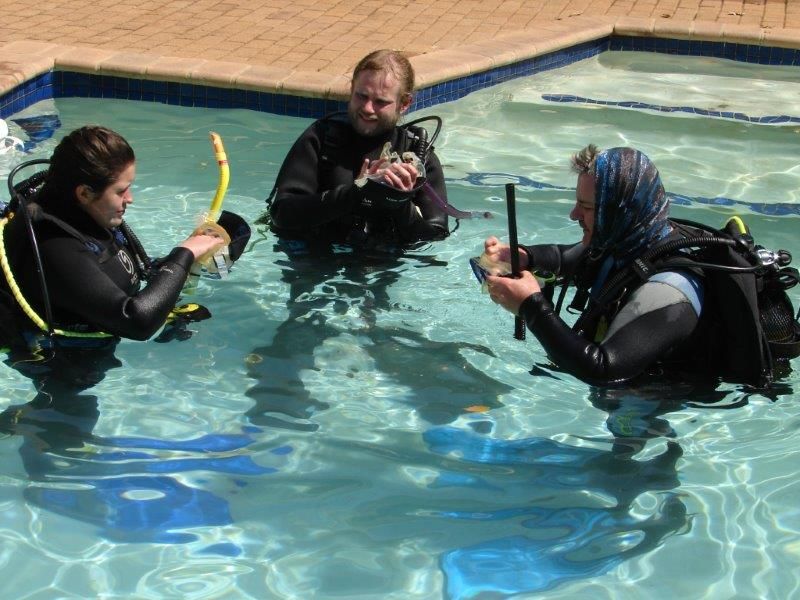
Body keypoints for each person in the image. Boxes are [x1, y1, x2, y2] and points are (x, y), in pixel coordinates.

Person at [482, 145, 707, 386]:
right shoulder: (624, 242)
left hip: (662, 406)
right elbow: (564, 258)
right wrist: (523, 255)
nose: (573, 214)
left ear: (621, 212)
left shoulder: (669, 290)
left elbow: (604, 370)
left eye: (587, 207)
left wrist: (531, 307)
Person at [0, 125, 224, 346]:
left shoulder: (82, 209)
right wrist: (184, 254)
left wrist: (190, 258)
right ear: (85, 193)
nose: (130, 198)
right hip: (65, 365)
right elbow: (137, 323)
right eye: (120, 191)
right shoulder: (55, 246)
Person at [265, 49, 449, 249]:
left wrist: (398, 202)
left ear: (404, 103)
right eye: (362, 96)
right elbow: (281, 215)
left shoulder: (417, 157)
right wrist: (355, 194)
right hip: (316, 259)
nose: (368, 108)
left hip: (384, 268)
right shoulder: (322, 138)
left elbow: (435, 237)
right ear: (352, 89)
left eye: (380, 102)